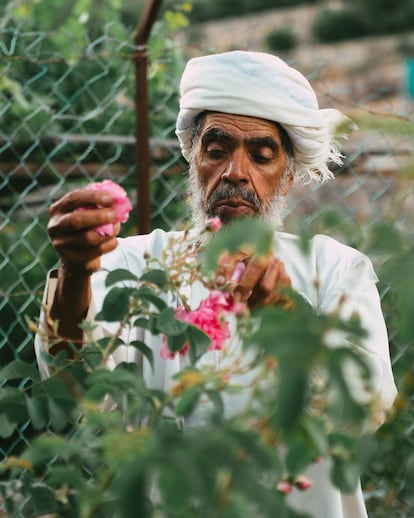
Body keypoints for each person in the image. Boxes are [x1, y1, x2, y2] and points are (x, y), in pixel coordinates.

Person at [35, 51, 397, 517]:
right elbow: (75, 390)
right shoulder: (131, 262)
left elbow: (369, 406)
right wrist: (73, 273)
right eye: (217, 149)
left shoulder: (335, 269)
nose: (235, 173)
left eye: (262, 156)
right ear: (193, 157)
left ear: (286, 176)